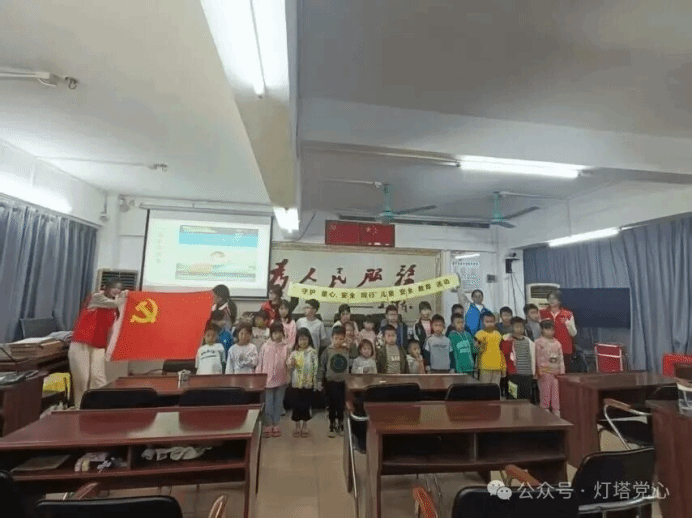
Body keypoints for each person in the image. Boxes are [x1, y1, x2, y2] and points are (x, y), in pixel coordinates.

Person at [70, 278, 125, 407]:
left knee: (98, 378)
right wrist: (126, 296)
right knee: (82, 378)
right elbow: (116, 303)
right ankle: (80, 407)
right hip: (81, 343)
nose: (117, 291)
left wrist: (109, 348)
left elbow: (110, 329)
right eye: (114, 287)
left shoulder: (114, 308)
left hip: (98, 345)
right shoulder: (96, 297)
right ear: (107, 287)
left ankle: (98, 406)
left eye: (120, 289)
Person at [257, 321, 290, 438]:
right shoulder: (265, 346)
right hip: (268, 381)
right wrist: (259, 377)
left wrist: (288, 375)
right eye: (275, 333)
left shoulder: (286, 347)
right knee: (268, 404)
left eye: (280, 332)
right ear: (271, 334)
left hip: (281, 380)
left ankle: (276, 424)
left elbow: (288, 364)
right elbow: (260, 363)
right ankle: (268, 424)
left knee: (278, 403)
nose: (277, 335)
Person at [317, 326, 351, 438]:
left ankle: (340, 424)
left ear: (345, 338)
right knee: (332, 405)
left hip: (343, 382)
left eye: (341, 339)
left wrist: (350, 345)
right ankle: (331, 425)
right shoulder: (327, 351)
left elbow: (355, 356)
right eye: (336, 338)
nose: (338, 341)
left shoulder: (347, 350)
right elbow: (322, 367)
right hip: (330, 382)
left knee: (341, 405)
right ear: (331, 338)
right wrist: (319, 380)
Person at [286, 328, 319, 438]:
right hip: (296, 383)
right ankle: (297, 426)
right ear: (297, 340)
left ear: (309, 340)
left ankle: (305, 426)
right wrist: (291, 363)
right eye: (300, 339)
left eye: (305, 339)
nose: (303, 342)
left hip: (308, 383)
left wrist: (315, 381)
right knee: (296, 405)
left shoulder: (312, 352)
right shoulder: (294, 353)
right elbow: (289, 365)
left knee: (306, 405)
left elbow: (315, 367)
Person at [540, 290, 577, 372]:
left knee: (564, 372)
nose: (551, 300)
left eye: (554, 298)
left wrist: (568, 324)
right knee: (549, 372)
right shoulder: (542, 312)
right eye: (549, 298)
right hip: (547, 348)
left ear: (559, 300)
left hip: (565, 348)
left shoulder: (568, 314)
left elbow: (573, 333)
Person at [500, 317, 536, 400]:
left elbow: (533, 357)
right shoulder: (507, 340)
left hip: (527, 374)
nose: (519, 329)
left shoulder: (529, 341)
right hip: (514, 374)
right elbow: (504, 354)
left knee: (526, 398)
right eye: (517, 327)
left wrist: (534, 372)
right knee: (513, 397)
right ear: (511, 327)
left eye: (521, 327)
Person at [535, 320, 565, 416]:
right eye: (547, 329)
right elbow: (536, 357)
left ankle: (556, 409)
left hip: (556, 372)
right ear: (542, 330)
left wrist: (562, 371)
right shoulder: (538, 342)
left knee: (556, 392)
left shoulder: (557, 343)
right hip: (543, 371)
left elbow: (561, 358)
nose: (550, 332)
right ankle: (545, 408)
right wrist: (537, 371)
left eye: (552, 330)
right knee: (545, 390)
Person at [474, 313, 505, 386]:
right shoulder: (480, 334)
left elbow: (501, 352)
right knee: (484, 388)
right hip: (485, 367)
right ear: (482, 322)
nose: (490, 324)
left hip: (497, 367)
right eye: (487, 322)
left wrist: (503, 367)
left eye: (492, 321)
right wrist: (480, 344)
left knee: (495, 388)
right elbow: (475, 348)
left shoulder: (498, 334)